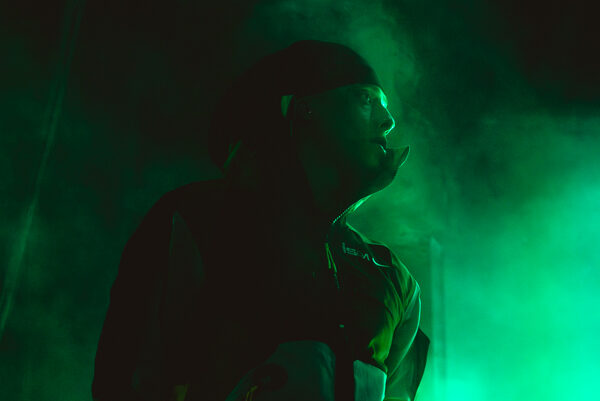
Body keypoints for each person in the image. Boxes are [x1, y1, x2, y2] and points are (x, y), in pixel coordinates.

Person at [92, 40, 430, 401]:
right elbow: (126, 382)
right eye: (365, 99)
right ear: (303, 108)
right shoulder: (198, 220)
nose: (388, 121)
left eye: (385, 105)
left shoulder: (394, 279)